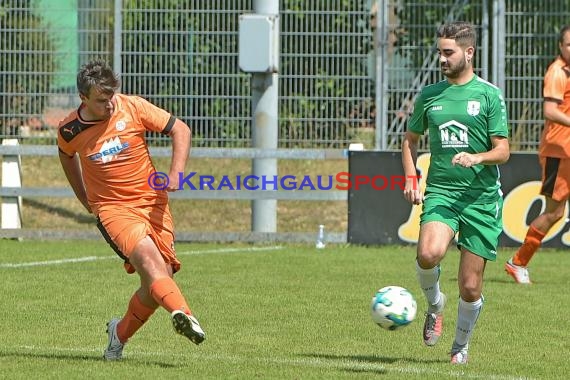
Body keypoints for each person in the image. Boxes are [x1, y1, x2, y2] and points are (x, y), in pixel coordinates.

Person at [57, 59, 205, 360]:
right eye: (101, 100)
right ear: (83, 98)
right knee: (151, 266)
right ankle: (184, 314)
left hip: (154, 204)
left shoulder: (133, 107)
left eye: (112, 96)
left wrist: (176, 172)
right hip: (113, 210)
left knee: (158, 281)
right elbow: (66, 157)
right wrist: (85, 199)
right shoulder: (70, 130)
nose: (110, 104)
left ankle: (118, 334)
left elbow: (181, 130)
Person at [401, 21, 510, 364]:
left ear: (469, 52)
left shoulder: (488, 95)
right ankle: (435, 305)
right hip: (442, 192)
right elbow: (410, 139)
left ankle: (460, 347)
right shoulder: (430, 96)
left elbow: (503, 150)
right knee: (428, 254)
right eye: (440, 52)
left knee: (470, 286)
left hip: (480, 199)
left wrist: (477, 156)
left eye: (448, 52)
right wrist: (410, 177)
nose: (442, 59)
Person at [505, 26, 570, 285]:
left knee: (556, 213)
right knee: (554, 213)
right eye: (568, 44)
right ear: (560, 46)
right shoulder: (557, 72)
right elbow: (550, 111)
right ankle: (518, 262)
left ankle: (517, 263)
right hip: (559, 151)